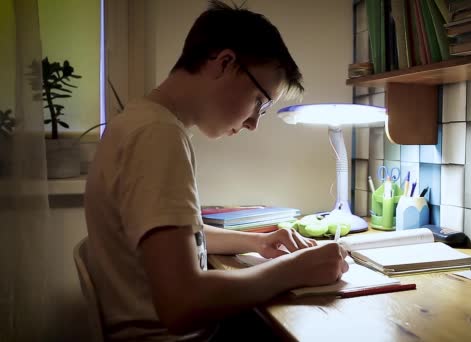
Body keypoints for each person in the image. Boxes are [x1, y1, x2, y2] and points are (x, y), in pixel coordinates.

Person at [84, 1, 349, 341]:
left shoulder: (137, 121)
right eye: (259, 101)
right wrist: (292, 270)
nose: (254, 122)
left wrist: (258, 240)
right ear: (225, 63)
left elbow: (172, 243)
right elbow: (181, 303)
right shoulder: (158, 136)